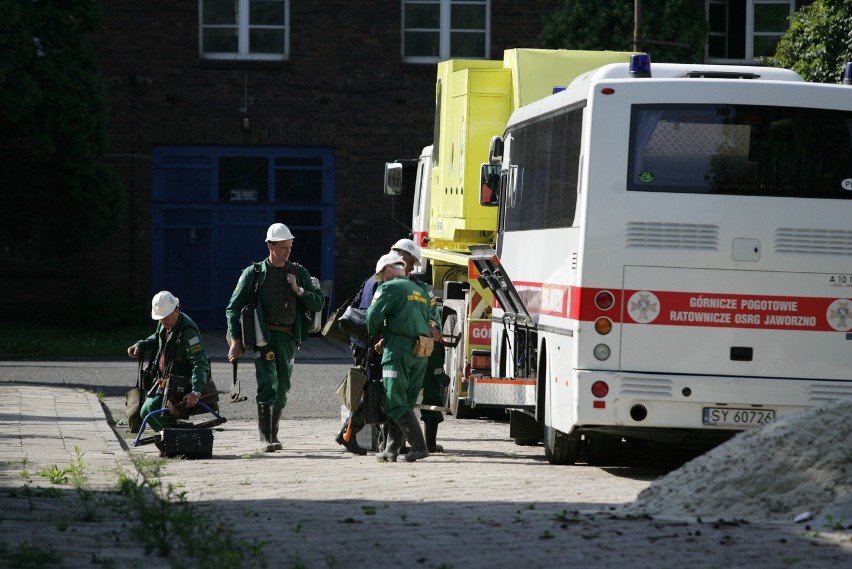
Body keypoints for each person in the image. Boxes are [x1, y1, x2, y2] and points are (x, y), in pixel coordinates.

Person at [225, 223, 325, 453]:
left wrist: (299, 290)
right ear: (270, 246)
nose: (287, 251)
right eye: (282, 247)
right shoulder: (254, 273)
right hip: (263, 337)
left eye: (289, 247)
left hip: (289, 338)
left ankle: (274, 432)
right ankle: (265, 438)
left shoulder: (299, 272)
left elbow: (318, 301)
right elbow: (233, 307)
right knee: (268, 384)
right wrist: (236, 340)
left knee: (283, 388)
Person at [367, 252, 432, 462]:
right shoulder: (419, 291)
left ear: (388, 271)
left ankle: (419, 447)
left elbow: (372, 316)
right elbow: (416, 322)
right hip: (420, 352)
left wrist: (375, 333)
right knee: (405, 402)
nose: (382, 281)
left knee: (394, 401)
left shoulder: (389, 287)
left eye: (382, 276)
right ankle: (391, 449)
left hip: (399, 351)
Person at [127, 291, 211, 432]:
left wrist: (196, 392)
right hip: (165, 380)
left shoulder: (188, 331)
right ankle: (168, 440)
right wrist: (140, 345)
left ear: (176, 310)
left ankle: (181, 437)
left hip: (181, 382)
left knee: (152, 408)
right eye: (160, 318)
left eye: (165, 317)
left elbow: (200, 363)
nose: (162, 321)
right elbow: (157, 337)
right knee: (144, 412)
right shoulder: (165, 324)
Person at [391, 238, 446, 453]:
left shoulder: (423, 288)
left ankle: (429, 441)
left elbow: (435, 316)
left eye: (412, 263)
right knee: (399, 393)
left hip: (426, 347)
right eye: (408, 261)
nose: (410, 267)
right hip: (400, 346)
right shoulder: (385, 283)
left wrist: (432, 324)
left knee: (433, 387)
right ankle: (399, 443)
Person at [334, 271, 382, 455]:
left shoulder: (369, 280)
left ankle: (349, 434)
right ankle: (348, 434)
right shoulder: (381, 285)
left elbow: (354, 307)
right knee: (373, 392)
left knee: (372, 391)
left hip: (361, 343)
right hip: (371, 345)